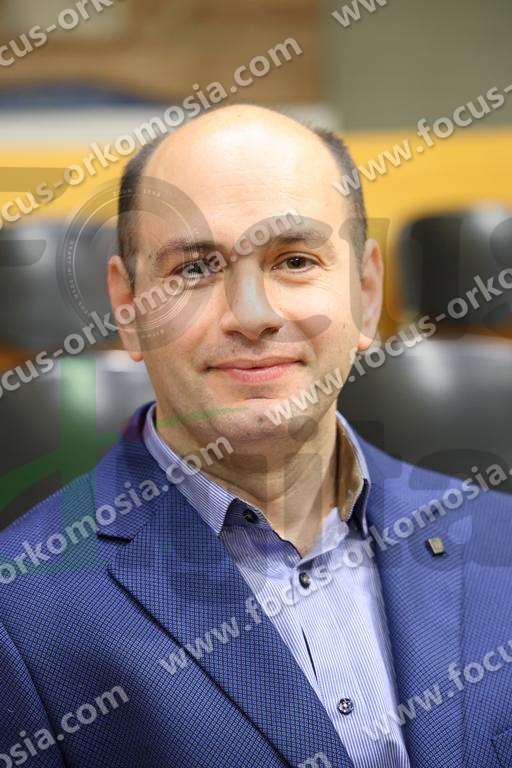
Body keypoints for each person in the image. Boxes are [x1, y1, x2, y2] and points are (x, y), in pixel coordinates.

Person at [0, 104, 511, 768]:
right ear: (127, 308)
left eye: (295, 260)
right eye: (194, 269)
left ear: (364, 291)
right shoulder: (21, 614)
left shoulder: (500, 538)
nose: (251, 315)